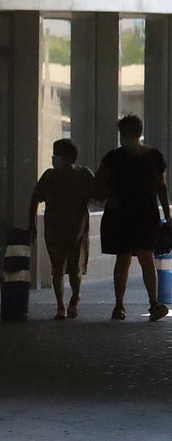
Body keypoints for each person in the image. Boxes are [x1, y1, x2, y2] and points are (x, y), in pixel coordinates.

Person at [94, 114, 170, 321]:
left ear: (137, 134)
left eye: (126, 135)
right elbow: (99, 181)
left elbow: (161, 186)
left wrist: (167, 213)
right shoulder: (114, 158)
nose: (124, 139)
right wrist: (110, 197)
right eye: (122, 135)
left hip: (144, 214)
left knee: (146, 256)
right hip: (122, 214)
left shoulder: (153, 158)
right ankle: (120, 305)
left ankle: (153, 303)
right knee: (124, 258)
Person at [28, 138, 95, 320]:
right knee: (57, 267)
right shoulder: (49, 177)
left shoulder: (83, 176)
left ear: (66, 158)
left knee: (75, 268)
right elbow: (35, 198)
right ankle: (60, 305)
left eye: (56, 155)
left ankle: (75, 298)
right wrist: (32, 222)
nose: (53, 159)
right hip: (55, 230)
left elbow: (98, 193)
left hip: (77, 231)